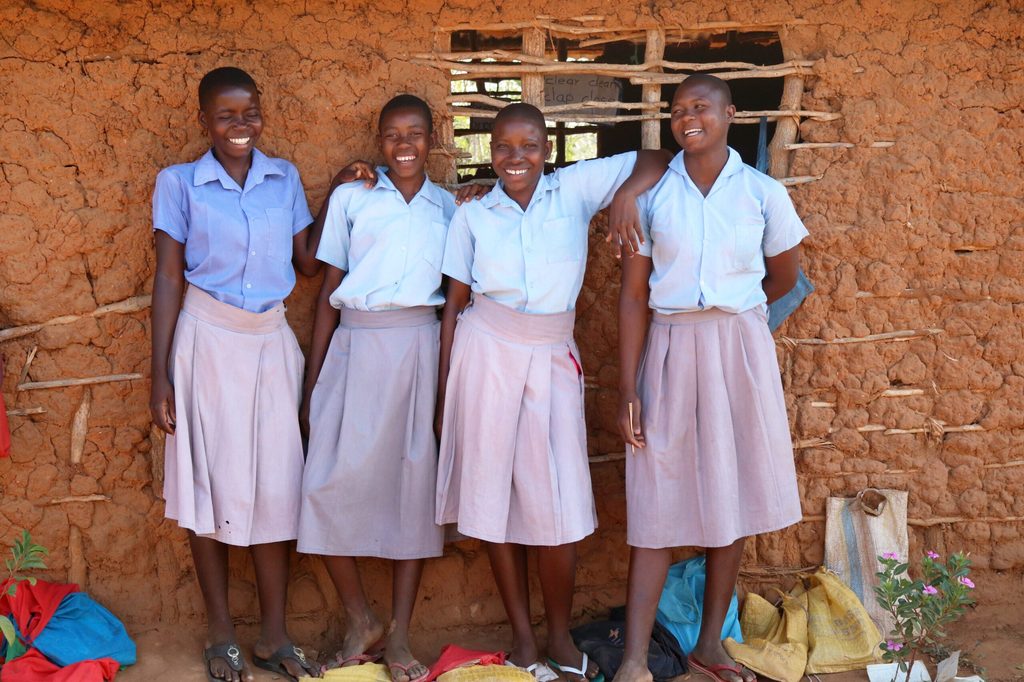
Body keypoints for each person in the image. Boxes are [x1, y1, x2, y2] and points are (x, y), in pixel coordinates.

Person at [435, 103, 670, 682]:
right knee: (492, 500)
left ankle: (559, 637)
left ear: (548, 149)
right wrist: (445, 394)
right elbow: (455, 305)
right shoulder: (473, 214)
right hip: (484, 352)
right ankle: (521, 638)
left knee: (558, 507)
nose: (517, 158)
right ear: (488, 152)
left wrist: (624, 196)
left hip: (551, 356)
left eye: (530, 146)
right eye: (504, 148)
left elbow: (658, 158)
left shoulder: (575, 188)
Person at [612, 74, 806, 682]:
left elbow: (784, 277)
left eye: (700, 107)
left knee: (733, 494)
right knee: (654, 497)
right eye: (676, 110)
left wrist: (736, 323)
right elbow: (633, 296)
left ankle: (709, 647)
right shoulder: (651, 198)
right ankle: (636, 660)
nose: (686, 118)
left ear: (731, 114)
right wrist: (627, 388)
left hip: (738, 344)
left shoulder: (762, 193)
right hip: (669, 345)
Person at [297, 95, 487, 682]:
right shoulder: (354, 199)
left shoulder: (450, 210)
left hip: (418, 349)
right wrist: (312, 383)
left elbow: (460, 297)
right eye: (391, 135)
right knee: (321, 486)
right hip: (353, 348)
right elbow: (328, 292)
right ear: (379, 141)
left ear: (433, 141)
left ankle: (401, 636)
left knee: (413, 493)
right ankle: (361, 620)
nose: (403, 145)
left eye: (415, 134)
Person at [150, 66, 326, 682]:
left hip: (270, 341)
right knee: (212, 485)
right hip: (207, 341)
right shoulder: (179, 184)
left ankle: (274, 635)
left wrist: (355, 191)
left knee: (277, 484)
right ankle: (221, 632)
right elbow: (170, 277)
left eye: (249, 112)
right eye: (226, 115)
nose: (241, 125)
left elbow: (307, 265)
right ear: (204, 121)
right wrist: (160, 377)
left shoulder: (285, 180)